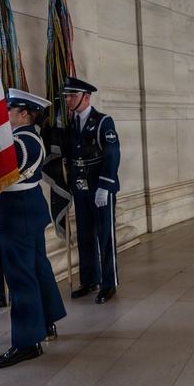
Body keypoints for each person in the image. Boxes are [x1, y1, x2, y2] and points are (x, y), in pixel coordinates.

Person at [0, 89, 69, 368]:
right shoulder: (27, 137)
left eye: (10, 110)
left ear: (23, 114)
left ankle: (26, 342)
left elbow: (1, 174)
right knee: (37, 268)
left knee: (21, 276)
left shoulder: (22, 141)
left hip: (18, 209)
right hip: (27, 207)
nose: (6, 114)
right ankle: (46, 323)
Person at [62, 77, 120, 303]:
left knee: (106, 235)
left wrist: (105, 187)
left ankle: (109, 282)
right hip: (81, 188)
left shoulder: (103, 122)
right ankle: (89, 279)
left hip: (100, 188)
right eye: (66, 96)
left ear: (86, 97)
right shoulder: (71, 124)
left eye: (72, 96)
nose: (67, 100)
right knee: (85, 235)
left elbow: (112, 155)